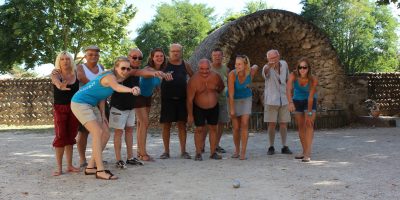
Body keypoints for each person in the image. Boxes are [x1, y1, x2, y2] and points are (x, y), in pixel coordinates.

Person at [71, 57, 140, 180]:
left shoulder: (117, 79)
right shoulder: (110, 77)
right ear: (116, 68)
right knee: (97, 132)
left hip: (93, 104)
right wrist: (132, 89)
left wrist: (102, 114)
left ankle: (90, 167)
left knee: (106, 134)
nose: (125, 70)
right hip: (80, 103)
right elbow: (117, 88)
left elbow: (102, 96)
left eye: (128, 69)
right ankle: (100, 170)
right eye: (122, 68)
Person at [109, 48, 143, 168]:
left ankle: (130, 157)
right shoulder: (120, 70)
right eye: (134, 57)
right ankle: (119, 159)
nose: (137, 60)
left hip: (131, 107)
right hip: (118, 107)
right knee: (119, 132)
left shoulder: (136, 71)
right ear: (128, 57)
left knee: (129, 131)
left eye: (139, 58)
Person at [159, 43, 194, 159]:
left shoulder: (185, 64)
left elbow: (193, 78)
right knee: (166, 126)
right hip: (167, 100)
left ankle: (183, 151)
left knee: (182, 125)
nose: (175, 53)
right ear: (169, 52)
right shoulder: (164, 65)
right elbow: (153, 74)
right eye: (173, 51)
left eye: (178, 51)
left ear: (181, 52)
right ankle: (166, 151)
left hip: (182, 99)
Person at [187, 58, 225, 161]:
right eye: (202, 69)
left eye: (207, 69)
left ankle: (213, 153)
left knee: (213, 128)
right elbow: (189, 100)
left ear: (210, 67)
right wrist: (190, 115)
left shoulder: (216, 77)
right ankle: (198, 153)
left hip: (214, 107)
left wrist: (216, 92)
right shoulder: (193, 80)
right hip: (199, 107)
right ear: (198, 68)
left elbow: (222, 87)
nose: (204, 71)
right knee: (199, 129)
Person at [75, 45, 106, 167]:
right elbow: (86, 80)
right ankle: (83, 160)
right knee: (84, 133)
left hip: (101, 102)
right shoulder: (80, 68)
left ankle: (95, 158)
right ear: (85, 56)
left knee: (103, 132)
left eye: (96, 54)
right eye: (90, 54)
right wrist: (99, 87)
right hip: (85, 103)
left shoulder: (101, 67)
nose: (93, 56)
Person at [50, 51, 80, 176]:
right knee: (60, 136)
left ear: (71, 60)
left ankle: (69, 165)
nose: (65, 61)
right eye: (62, 59)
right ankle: (59, 167)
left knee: (71, 136)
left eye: (67, 58)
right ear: (59, 61)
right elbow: (55, 80)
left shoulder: (76, 73)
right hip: (60, 108)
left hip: (74, 108)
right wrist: (59, 85)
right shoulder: (56, 73)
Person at [135, 48, 167, 161]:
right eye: (157, 56)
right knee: (144, 123)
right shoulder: (148, 69)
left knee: (141, 124)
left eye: (161, 56)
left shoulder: (160, 71)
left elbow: (156, 86)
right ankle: (143, 154)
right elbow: (147, 74)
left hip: (147, 97)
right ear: (152, 58)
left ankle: (139, 151)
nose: (159, 58)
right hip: (138, 96)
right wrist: (155, 73)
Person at [286, 58, 318, 162]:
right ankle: (304, 151)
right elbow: (288, 89)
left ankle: (308, 153)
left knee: (309, 124)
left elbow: (310, 97)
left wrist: (309, 112)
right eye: (300, 67)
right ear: (297, 68)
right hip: (297, 100)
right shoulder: (293, 75)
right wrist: (290, 102)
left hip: (310, 101)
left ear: (308, 68)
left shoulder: (313, 79)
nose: (302, 69)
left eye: (305, 67)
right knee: (301, 126)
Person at [262, 49, 293, 155]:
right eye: (270, 58)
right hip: (271, 100)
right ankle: (271, 146)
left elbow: (288, 79)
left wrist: (290, 98)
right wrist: (269, 66)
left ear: (278, 56)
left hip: (284, 98)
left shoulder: (284, 64)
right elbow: (265, 72)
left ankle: (284, 146)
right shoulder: (266, 67)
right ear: (267, 59)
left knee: (284, 123)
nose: (273, 60)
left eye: (275, 58)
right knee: (271, 124)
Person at [228, 55, 258, 160]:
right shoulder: (232, 74)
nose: (237, 66)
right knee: (236, 127)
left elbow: (256, 66)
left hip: (246, 98)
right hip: (234, 100)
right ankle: (237, 150)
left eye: (240, 64)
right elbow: (231, 94)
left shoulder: (251, 72)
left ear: (245, 65)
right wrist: (231, 109)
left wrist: (250, 82)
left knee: (245, 124)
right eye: (236, 64)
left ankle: (243, 152)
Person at [210, 48, 229, 154]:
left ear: (222, 56)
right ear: (212, 57)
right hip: (209, 101)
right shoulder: (208, 68)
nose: (217, 57)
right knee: (208, 124)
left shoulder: (226, 69)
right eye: (215, 55)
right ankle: (203, 144)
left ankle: (216, 144)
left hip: (222, 100)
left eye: (219, 55)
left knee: (221, 122)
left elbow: (230, 83)